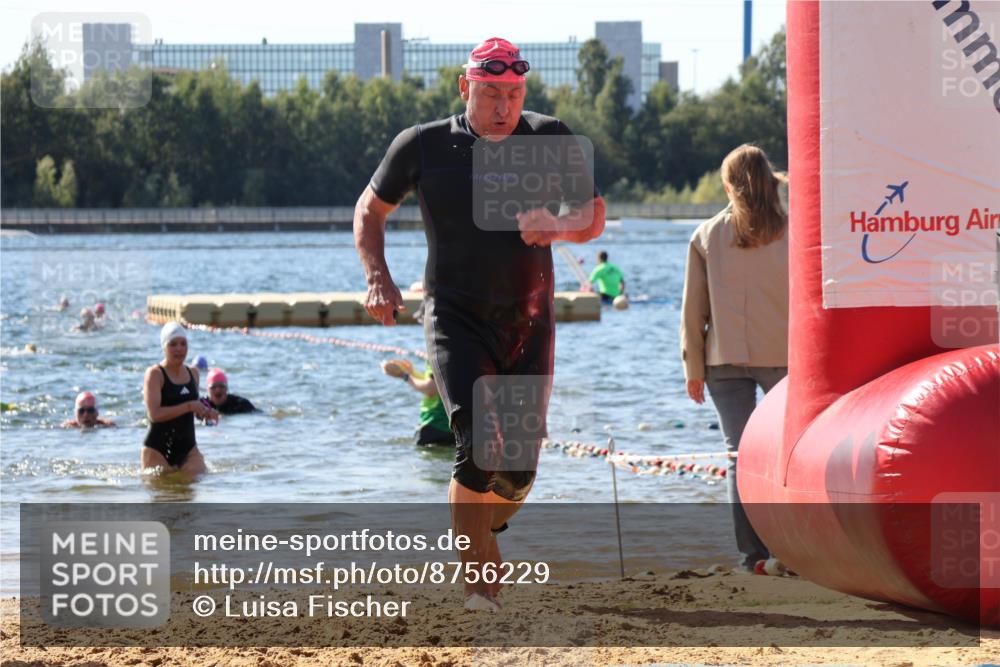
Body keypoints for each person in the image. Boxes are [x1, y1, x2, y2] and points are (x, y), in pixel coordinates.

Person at [354, 36, 605, 613]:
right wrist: (378, 278)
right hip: (455, 318)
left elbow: (593, 215)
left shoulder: (550, 137)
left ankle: (476, 529)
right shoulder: (423, 145)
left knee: (517, 473)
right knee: (477, 448)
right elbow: (370, 209)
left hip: (529, 322)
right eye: (491, 93)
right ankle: (477, 588)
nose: (503, 106)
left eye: (513, 94)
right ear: (464, 87)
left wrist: (557, 226)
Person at [679, 144, 789, 572]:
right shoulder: (794, 231)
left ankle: (752, 557)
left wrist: (692, 368)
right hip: (783, 357)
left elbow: (693, 311)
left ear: (727, 186)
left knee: (738, 458)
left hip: (721, 359)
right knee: (785, 456)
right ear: (770, 182)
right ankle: (789, 549)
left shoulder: (705, 235)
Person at [142, 321, 216, 476]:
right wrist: (189, 406)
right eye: (173, 344)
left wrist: (206, 413)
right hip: (157, 451)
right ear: (164, 347)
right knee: (165, 490)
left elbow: (194, 409)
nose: (179, 349)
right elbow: (154, 415)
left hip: (189, 450)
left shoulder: (193, 373)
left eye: (183, 344)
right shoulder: (155, 374)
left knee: (199, 483)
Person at [381, 358, 454, 447]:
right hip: (455, 423)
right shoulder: (459, 353)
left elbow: (430, 389)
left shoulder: (436, 354)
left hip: (435, 422)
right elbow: (438, 382)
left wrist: (404, 375)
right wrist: (412, 372)